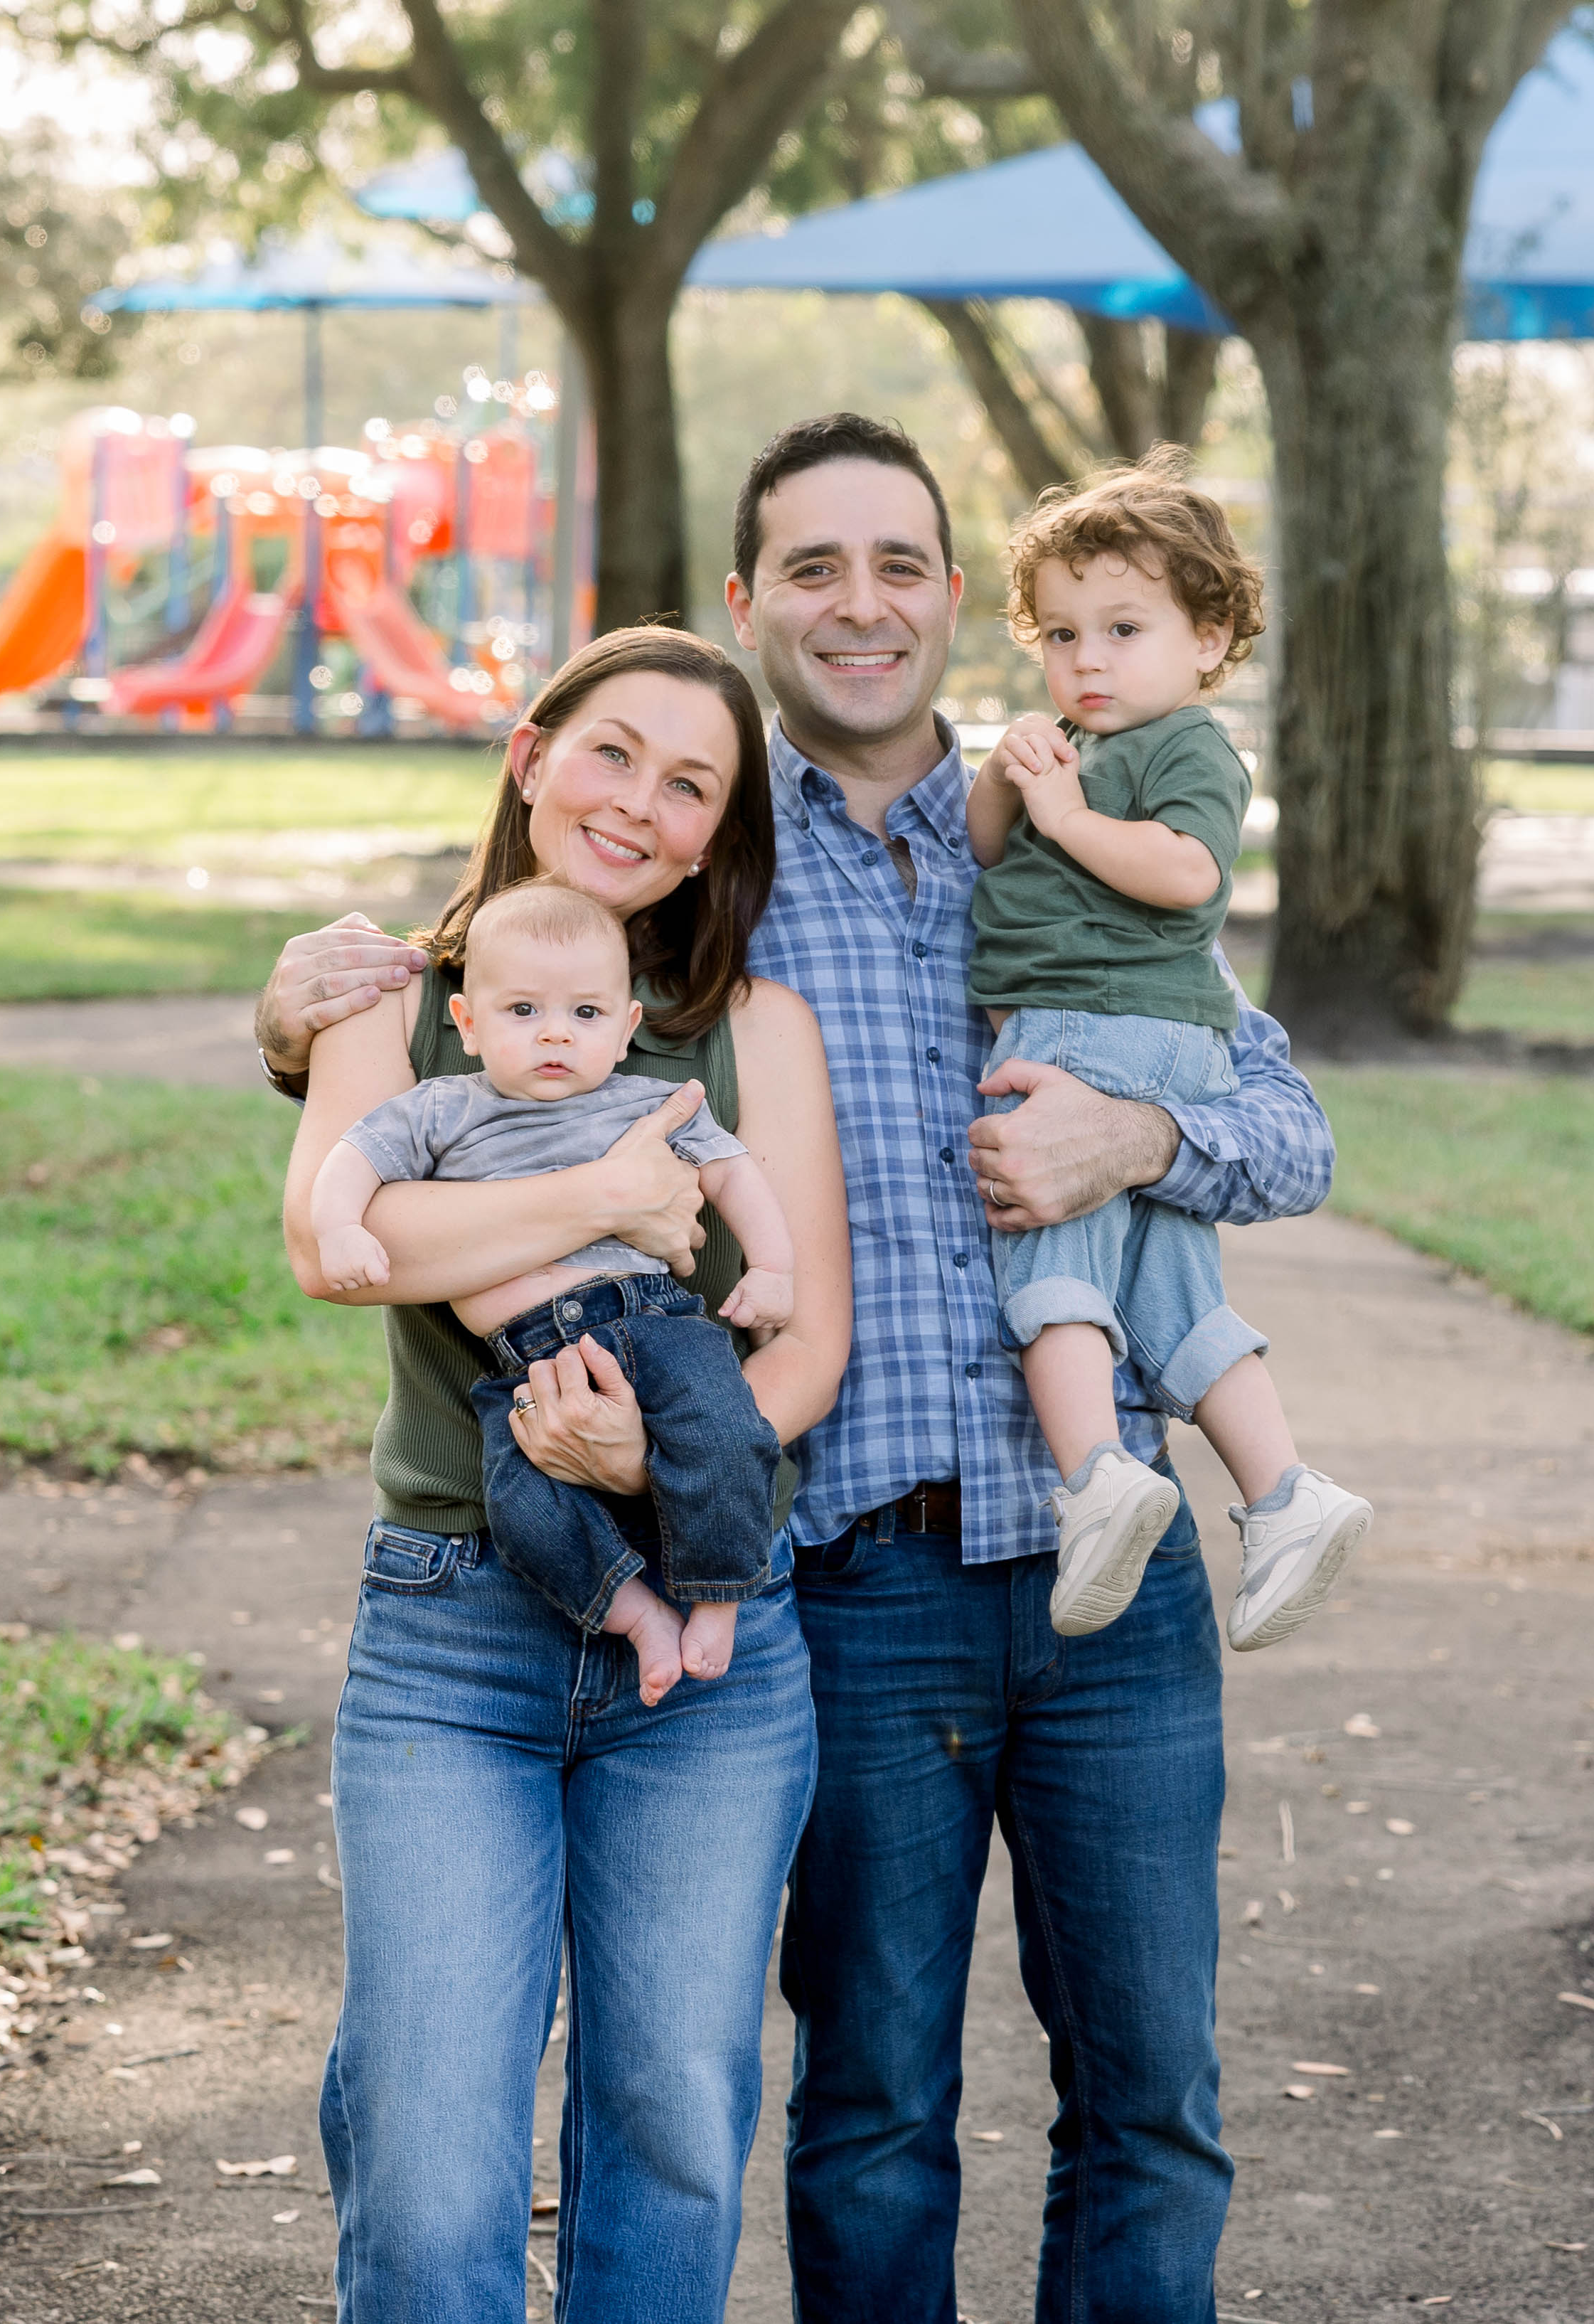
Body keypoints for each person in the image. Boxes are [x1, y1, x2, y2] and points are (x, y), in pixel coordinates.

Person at [260, 415, 1334, 2324]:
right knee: (860, 2114)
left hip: (1114, 1548)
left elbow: (1288, 1129)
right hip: (851, 1573)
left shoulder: (1075, 831)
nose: (862, 604)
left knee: (1151, 2102)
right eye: (814, 570)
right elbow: (500, 1006)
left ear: (951, 596)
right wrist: (294, 1022)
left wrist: (1134, 1145)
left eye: (902, 564)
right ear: (750, 606)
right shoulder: (729, 893)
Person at [276, 626, 851, 2324]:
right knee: (437, 2139)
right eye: (615, 752)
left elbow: (805, 1342)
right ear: (531, 756)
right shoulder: (399, 999)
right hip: (457, 1627)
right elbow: (345, 1247)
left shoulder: (756, 1027)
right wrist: (610, 1195)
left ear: (718, 829)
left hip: (715, 1640)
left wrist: (660, 1472)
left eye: (694, 782)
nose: (641, 802)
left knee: (674, 2115)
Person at [966, 454, 1373, 1646]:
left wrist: (1067, 815)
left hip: (1093, 1025)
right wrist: (1007, 775)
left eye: (1120, 628)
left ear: (1206, 639)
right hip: (1147, 1039)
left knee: (1047, 1257)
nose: (1083, 658)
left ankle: (1095, 1471)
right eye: (1058, 632)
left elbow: (1189, 876)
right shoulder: (1063, 742)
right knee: (1166, 1290)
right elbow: (986, 845)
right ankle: (1285, 1491)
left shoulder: (1185, 746)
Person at [308, 874, 801, 1702]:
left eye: (585, 1014)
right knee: (522, 1508)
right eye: (523, 1011)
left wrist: (773, 1266)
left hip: (656, 1327)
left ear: (626, 1026)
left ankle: (718, 1596)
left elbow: (733, 1172)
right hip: (523, 1365)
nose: (556, 1037)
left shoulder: (647, 1103)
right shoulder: (444, 1111)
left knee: (726, 1432)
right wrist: (340, 1228)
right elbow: (349, 1159)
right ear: (467, 1023)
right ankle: (637, 1614)